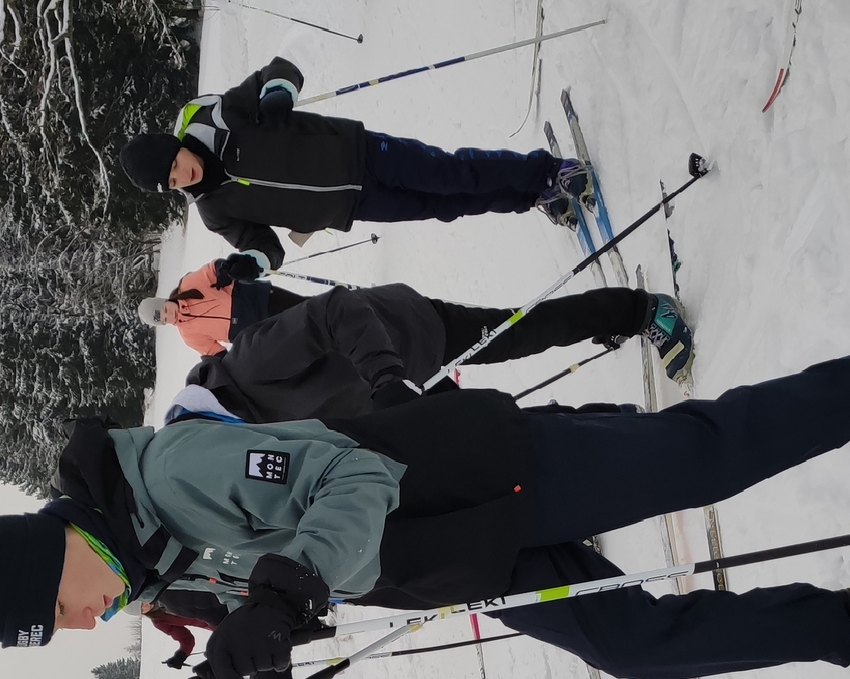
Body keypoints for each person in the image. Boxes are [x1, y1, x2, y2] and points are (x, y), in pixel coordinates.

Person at [0, 343, 850, 679]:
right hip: (461, 556)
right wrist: (268, 661)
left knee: (701, 457)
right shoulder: (152, 566)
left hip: (484, 472)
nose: (83, 624)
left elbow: (350, 477)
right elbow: (277, 582)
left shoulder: (172, 476)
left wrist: (277, 598)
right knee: (635, 646)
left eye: (58, 613)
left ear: (49, 560)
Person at [116, 56, 592, 272]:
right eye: (171, 183)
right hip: (352, 207)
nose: (181, 177)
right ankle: (532, 196)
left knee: (451, 174)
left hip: (356, 151)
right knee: (445, 206)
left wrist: (277, 93)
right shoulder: (214, 211)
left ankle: (547, 170)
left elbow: (280, 69)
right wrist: (251, 263)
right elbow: (265, 247)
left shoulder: (222, 118)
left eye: (173, 165)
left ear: (174, 146)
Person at [177, 276, 694, 424]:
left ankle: (642, 310)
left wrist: (385, 378)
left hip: (409, 333)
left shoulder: (250, 364)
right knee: (490, 428)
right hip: (398, 392)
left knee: (520, 333)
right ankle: (611, 425)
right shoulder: (247, 434)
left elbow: (335, 309)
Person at [138, 254, 308, 358]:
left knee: (307, 309)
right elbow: (216, 353)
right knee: (300, 338)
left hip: (259, 299)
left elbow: (213, 269)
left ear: (165, 301)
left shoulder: (188, 284)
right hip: (256, 331)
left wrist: (225, 271)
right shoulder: (189, 335)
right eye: (165, 319)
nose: (170, 315)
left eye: (165, 310)